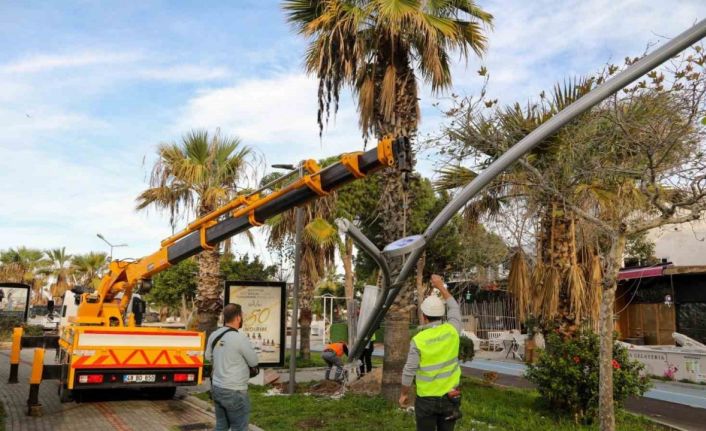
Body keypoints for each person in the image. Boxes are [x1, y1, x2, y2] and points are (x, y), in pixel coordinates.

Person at [399, 274, 462, 431]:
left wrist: (404, 394)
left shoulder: (418, 340)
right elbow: (454, 307)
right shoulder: (453, 329)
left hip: (426, 400)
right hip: (451, 397)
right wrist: (440, 286)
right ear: (442, 314)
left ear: (424, 317)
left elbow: (409, 370)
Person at [206, 304, 259, 431]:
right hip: (235, 391)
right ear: (238, 318)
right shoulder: (240, 338)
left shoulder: (214, 335)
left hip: (217, 388)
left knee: (221, 426)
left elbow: (208, 357)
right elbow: (253, 361)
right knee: (239, 427)